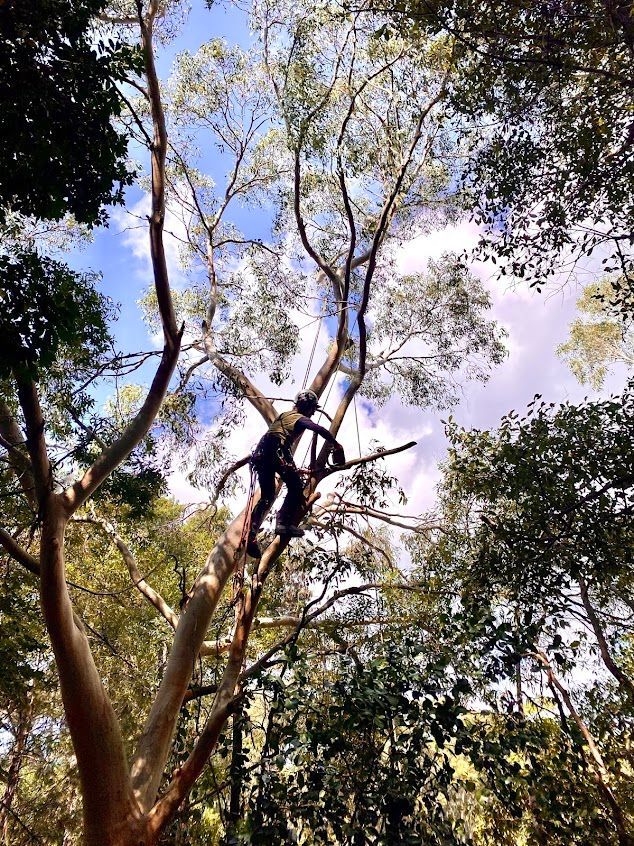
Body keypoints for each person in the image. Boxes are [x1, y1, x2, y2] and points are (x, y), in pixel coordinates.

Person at [246, 390, 345, 558]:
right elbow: (317, 428)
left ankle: (251, 536)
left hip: (262, 453)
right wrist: (336, 445)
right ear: (306, 406)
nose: (313, 412)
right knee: (296, 487)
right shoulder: (299, 418)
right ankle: (282, 522)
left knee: (268, 496)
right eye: (312, 408)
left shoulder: (285, 416)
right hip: (276, 449)